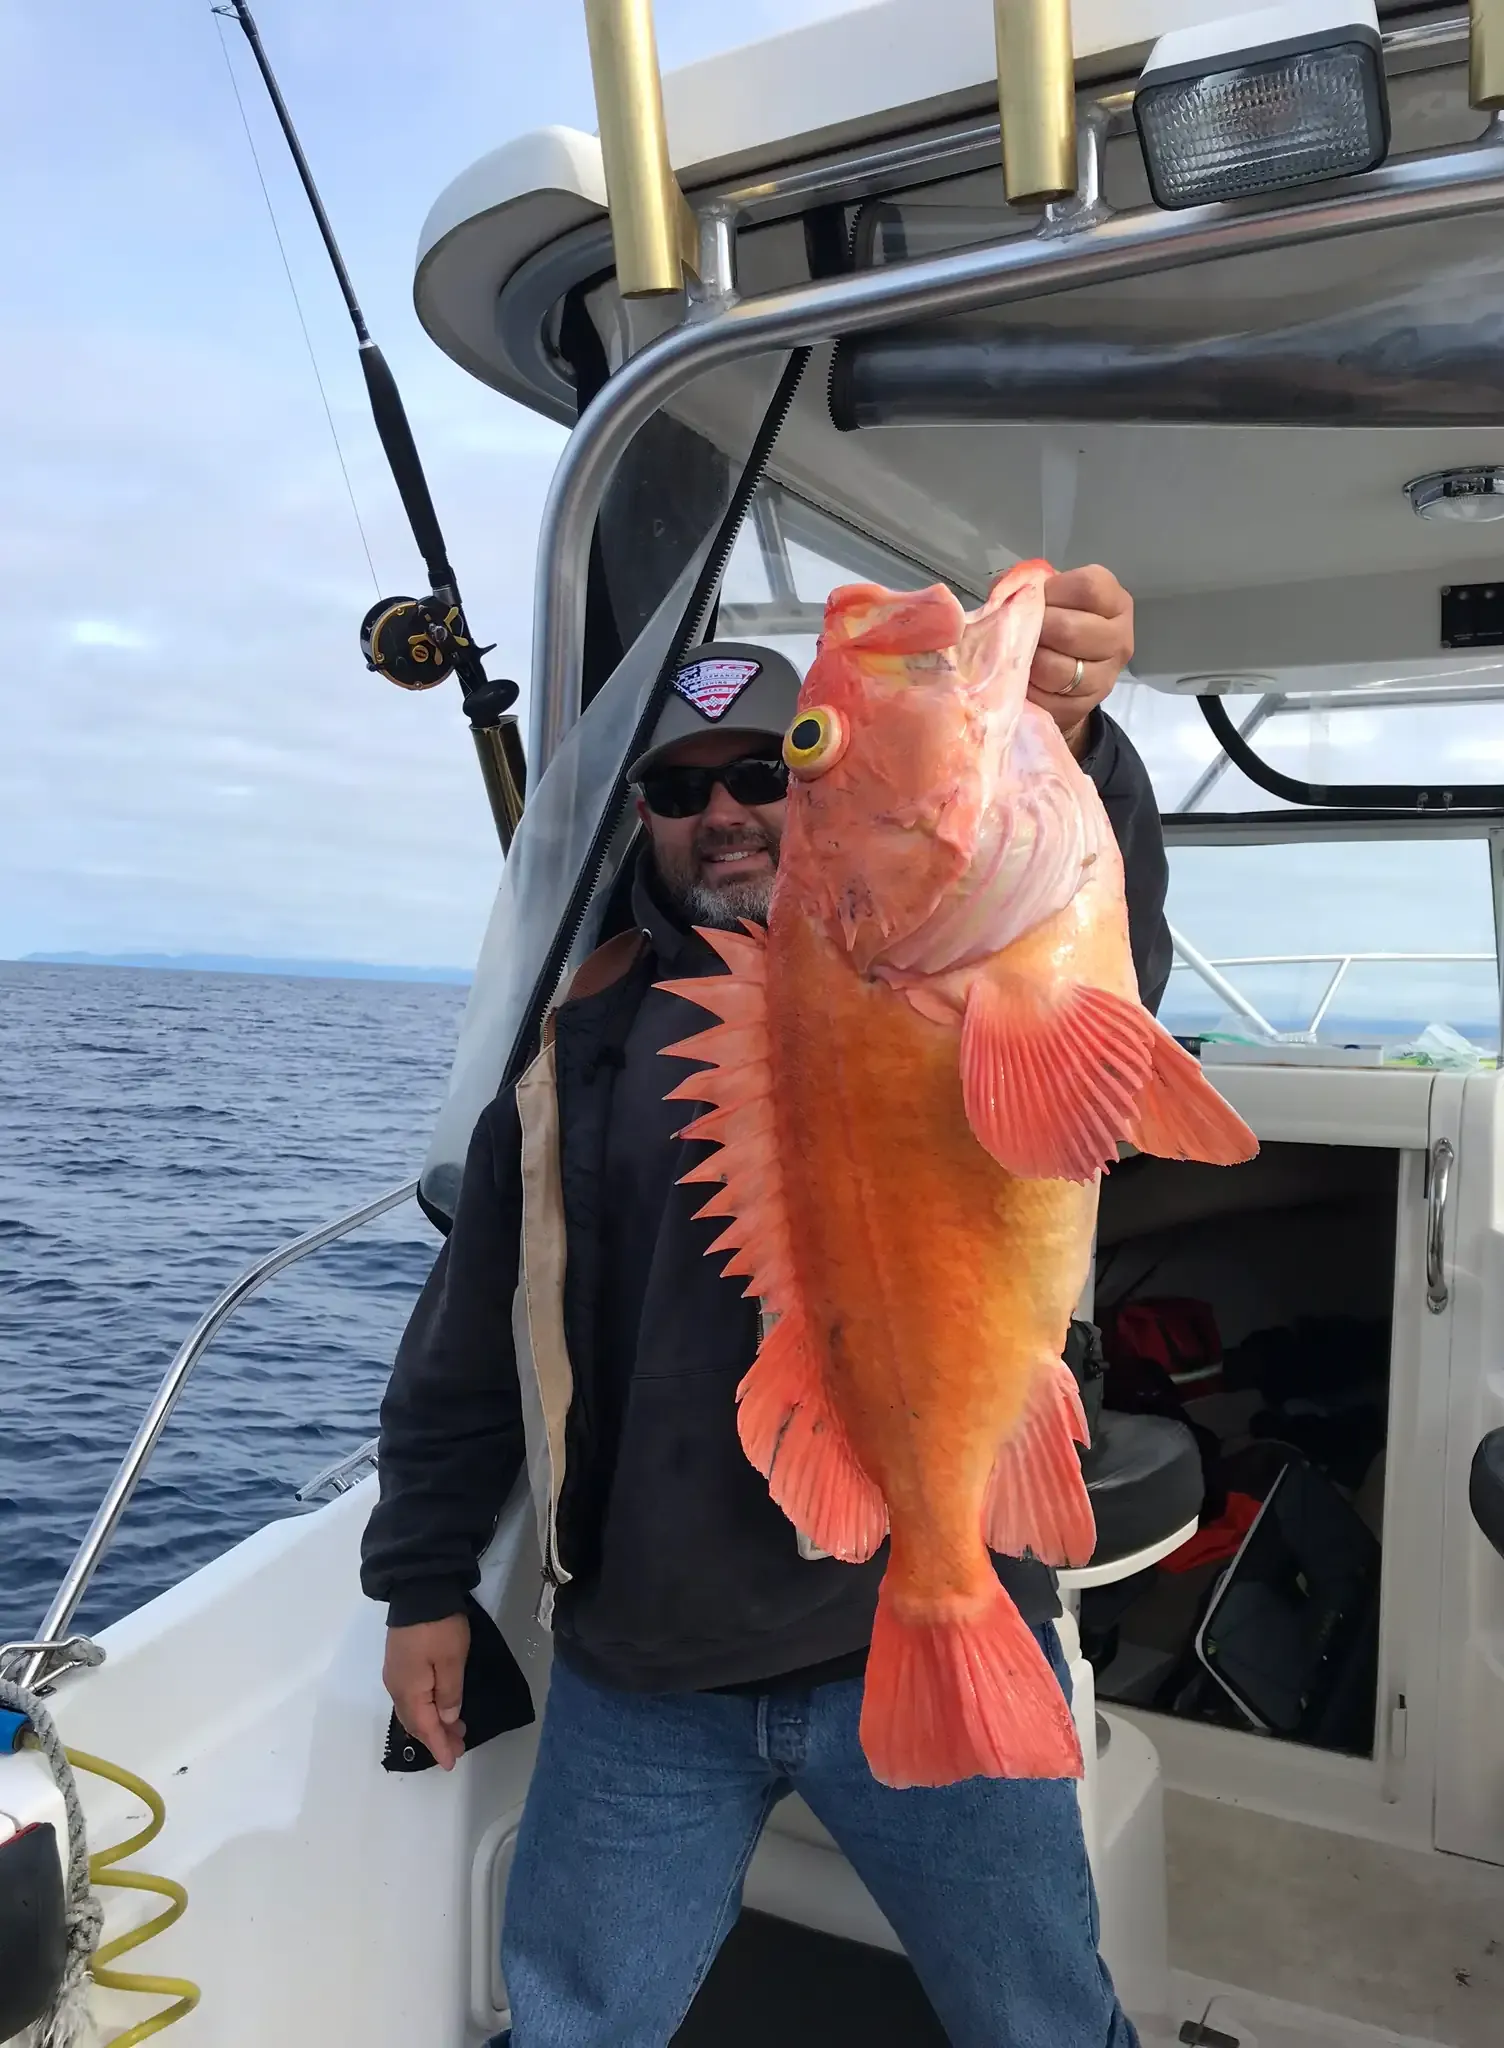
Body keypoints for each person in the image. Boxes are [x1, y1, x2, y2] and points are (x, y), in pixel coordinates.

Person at [361, 566, 1164, 2047]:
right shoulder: (571, 1049)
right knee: (574, 2026)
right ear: (641, 819)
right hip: (647, 1666)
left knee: (1045, 2021)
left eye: (767, 770)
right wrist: (422, 1582)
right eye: (680, 788)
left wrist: (1073, 735)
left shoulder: (964, 963)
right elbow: (470, 1340)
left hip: (929, 1610)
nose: (725, 811)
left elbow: (1096, 981)